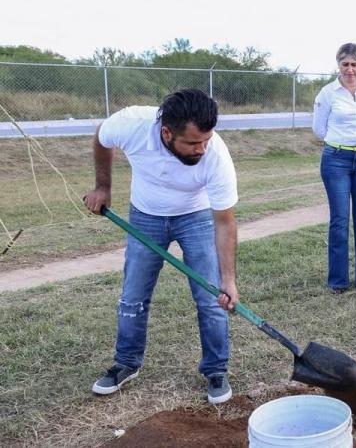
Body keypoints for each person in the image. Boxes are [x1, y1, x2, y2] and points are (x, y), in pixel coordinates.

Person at [83, 89, 239, 405]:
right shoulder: (132, 125)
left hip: (195, 216)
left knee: (211, 298)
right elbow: (102, 136)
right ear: (166, 133)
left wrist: (229, 280)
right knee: (133, 297)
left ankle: (215, 370)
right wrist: (103, 187)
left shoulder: (216, 155)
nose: (202, 148)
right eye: (193, 143)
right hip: (145, 216)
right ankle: (126, 363)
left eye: (206, 140)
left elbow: (224, 222)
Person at [313, 43, 356, 294]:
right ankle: (338, 281)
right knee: (340, 220)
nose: (350, 69)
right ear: (338, 65)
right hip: (336, 160)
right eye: (345, 64)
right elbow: (319, 128)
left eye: (354, 64)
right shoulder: (328, 93)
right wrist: (341, 142)